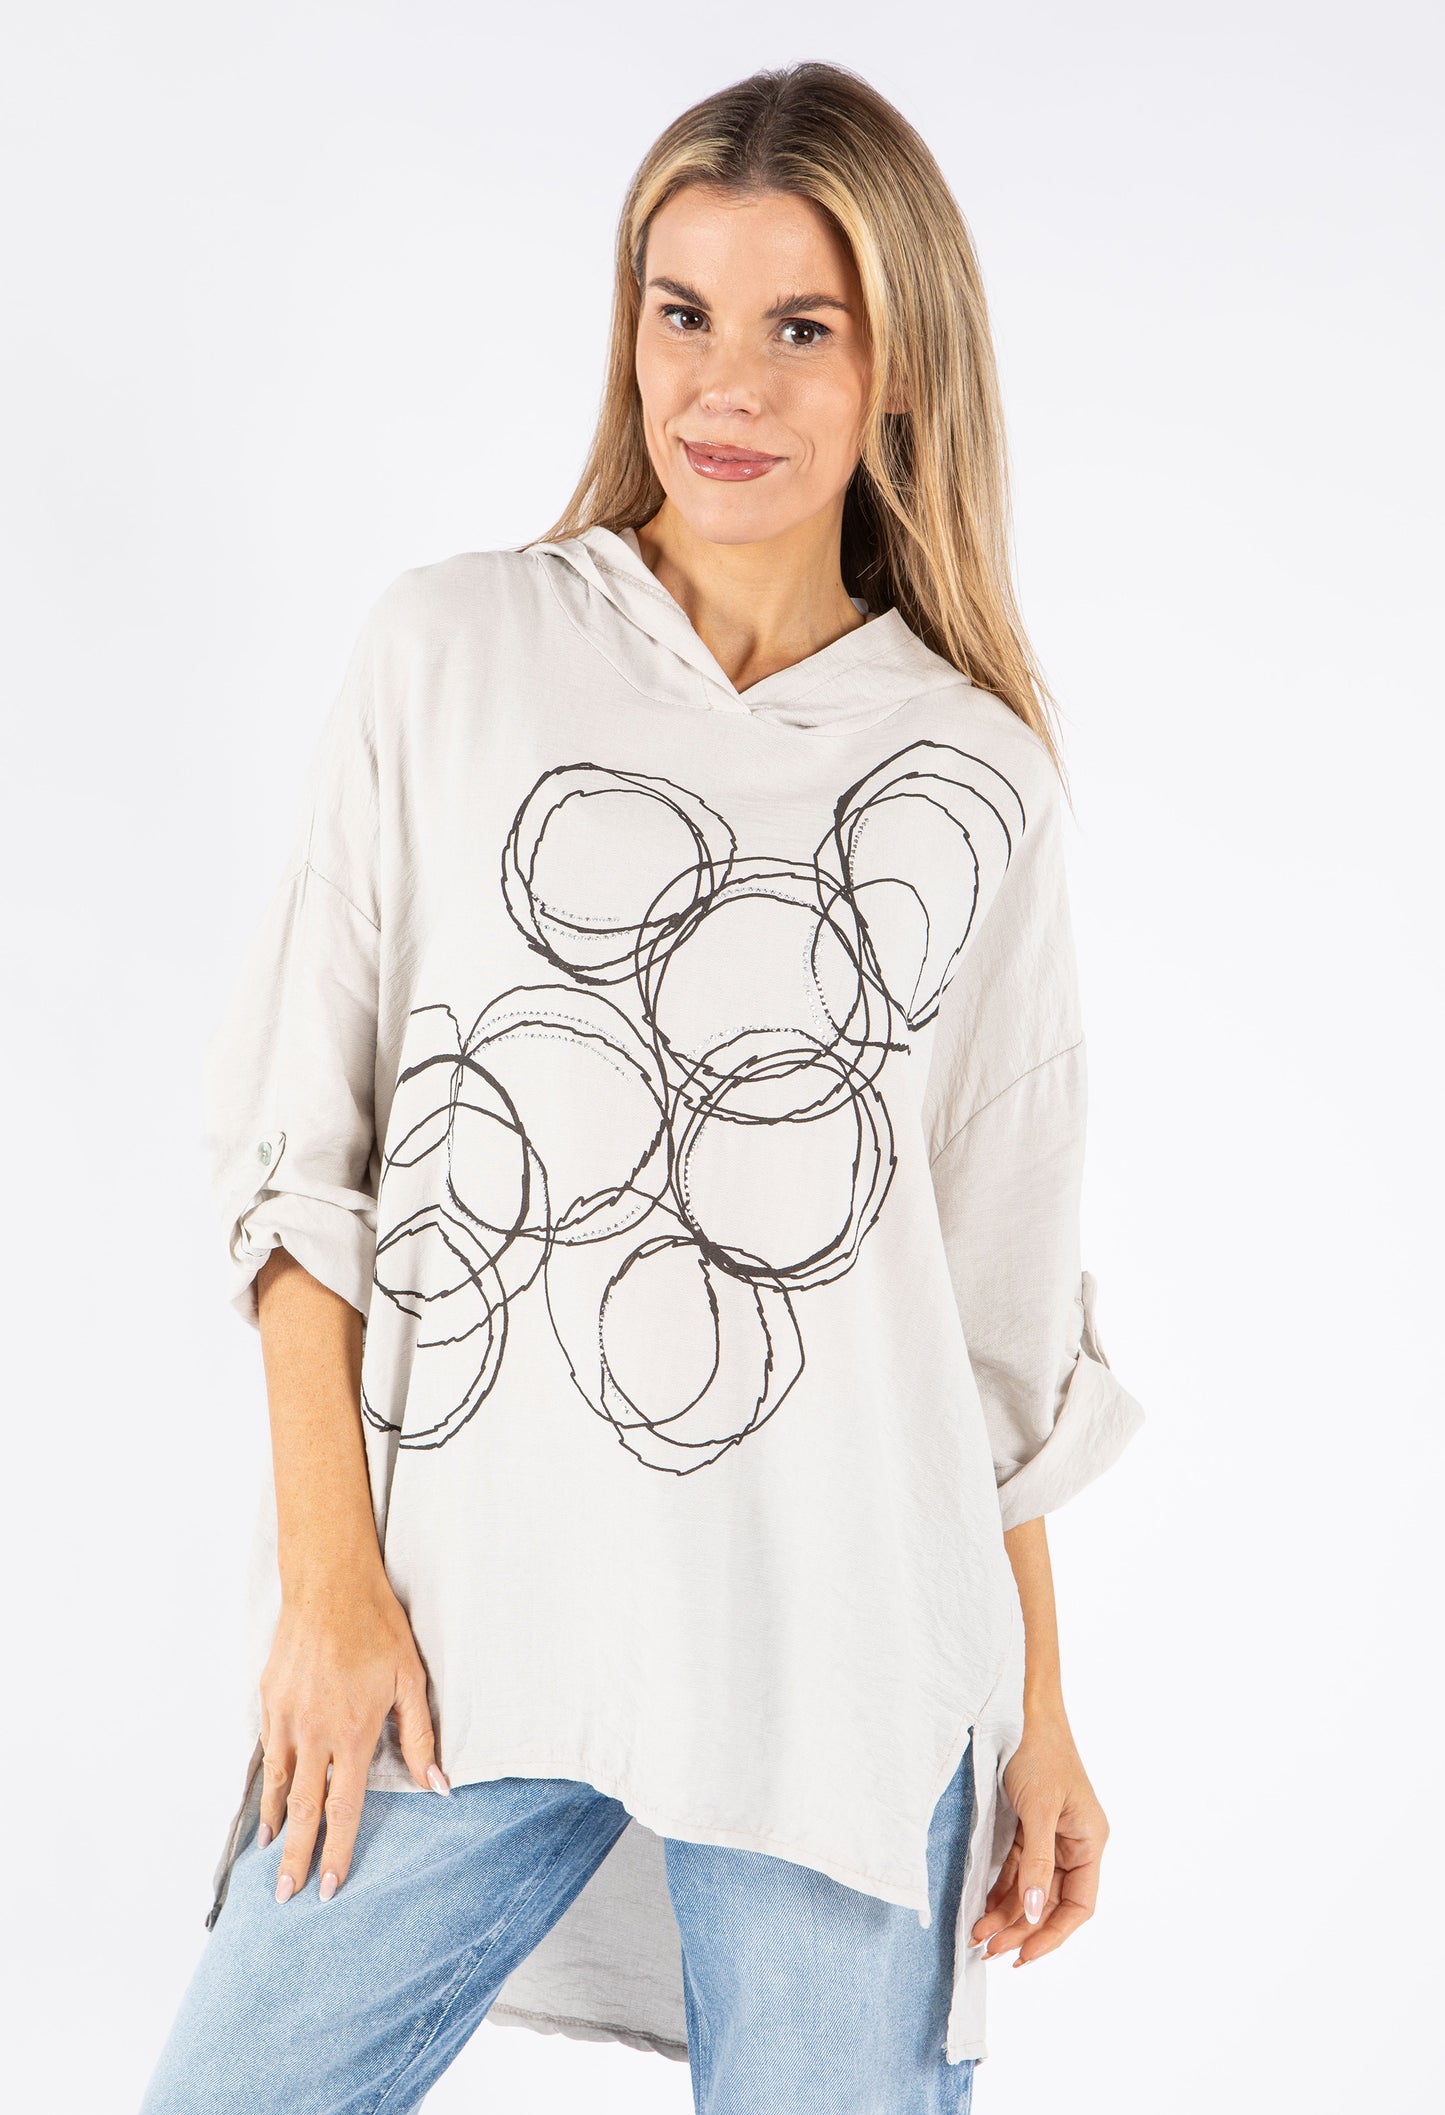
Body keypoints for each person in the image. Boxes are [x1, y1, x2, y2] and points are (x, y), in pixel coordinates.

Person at [141, 58, 1145, 2115]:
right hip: (459, 1627)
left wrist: (1042, 1706)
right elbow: (296, 1156)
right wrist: (329, 1588)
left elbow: (987, 1327)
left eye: (802, 327)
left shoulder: (978, 780)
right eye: (682, 312)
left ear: (899, 368)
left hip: (846, 1677)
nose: (727, 386)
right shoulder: (454, 651)